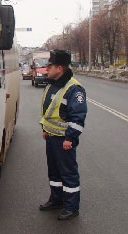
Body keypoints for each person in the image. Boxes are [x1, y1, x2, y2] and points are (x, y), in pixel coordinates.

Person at [39, 49, 87, 220]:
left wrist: (70, 138)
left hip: (64, 140)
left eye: (49, 66)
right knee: (54, 172)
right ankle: (57, 199)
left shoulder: (74, 89)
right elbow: (49, 111)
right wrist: (45, 130)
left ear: (59, 68)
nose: (46, 69)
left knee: (68, 173)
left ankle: (72, 207)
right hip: (52, 137)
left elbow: (77, 118)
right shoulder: (52, 84)